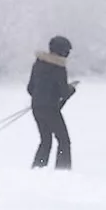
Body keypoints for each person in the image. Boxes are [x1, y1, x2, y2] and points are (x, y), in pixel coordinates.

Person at [27, 35, 76, 170]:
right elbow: (64, 93)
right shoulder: (59, 68)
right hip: (51, 109)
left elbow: (30, 88)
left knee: (45, 140)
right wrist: (72, 89)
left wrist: (40, 97)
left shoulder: (38, 64)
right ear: (62, 51)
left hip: (36, 108)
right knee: (64, 141)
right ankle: (62, 170)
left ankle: (38, 168)